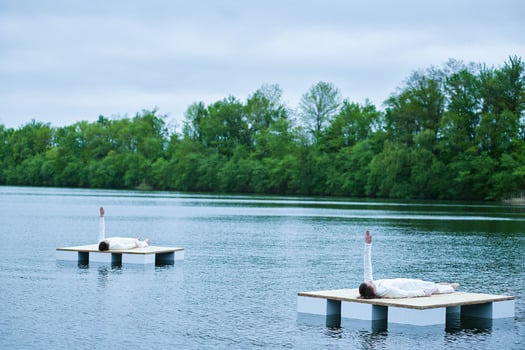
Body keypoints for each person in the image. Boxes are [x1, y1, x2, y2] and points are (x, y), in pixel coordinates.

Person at [358, 230, 459, 299]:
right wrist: (423, 293)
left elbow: (367, 266)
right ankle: (451, 287)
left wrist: (368, 245)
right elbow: (405, 294)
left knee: (431, 284)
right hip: (410, 287)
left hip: (406, 281)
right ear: (373, 290)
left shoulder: (370, 284)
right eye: (370, 283)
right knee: (436, 288)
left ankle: (443, 285)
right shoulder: (385, 291)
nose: (371, 281)